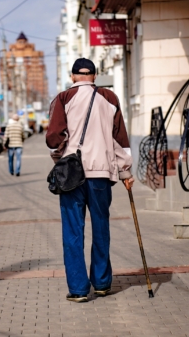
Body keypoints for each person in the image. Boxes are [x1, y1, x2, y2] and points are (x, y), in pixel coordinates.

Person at [46, 58, 134, 303]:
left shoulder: (63, 98)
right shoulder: (110, 98)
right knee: (101, 228)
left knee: (73, 232)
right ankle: (103, 284)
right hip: (101, 176)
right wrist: (125, 172)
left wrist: (60, 154)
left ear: (73, 76)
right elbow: (120, 141)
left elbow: (54, 137)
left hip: (72, 175)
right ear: (95, 75)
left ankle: (78, 289)